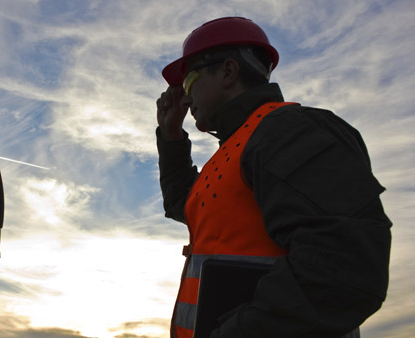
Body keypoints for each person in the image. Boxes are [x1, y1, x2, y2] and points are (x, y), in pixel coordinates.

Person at [155, 17, 392, 338]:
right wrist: (171, 137)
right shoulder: (234, 152)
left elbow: (344, 270)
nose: (184, 98)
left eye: (188, 82)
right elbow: (185, 206)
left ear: (227, 72)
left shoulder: (291, 131)